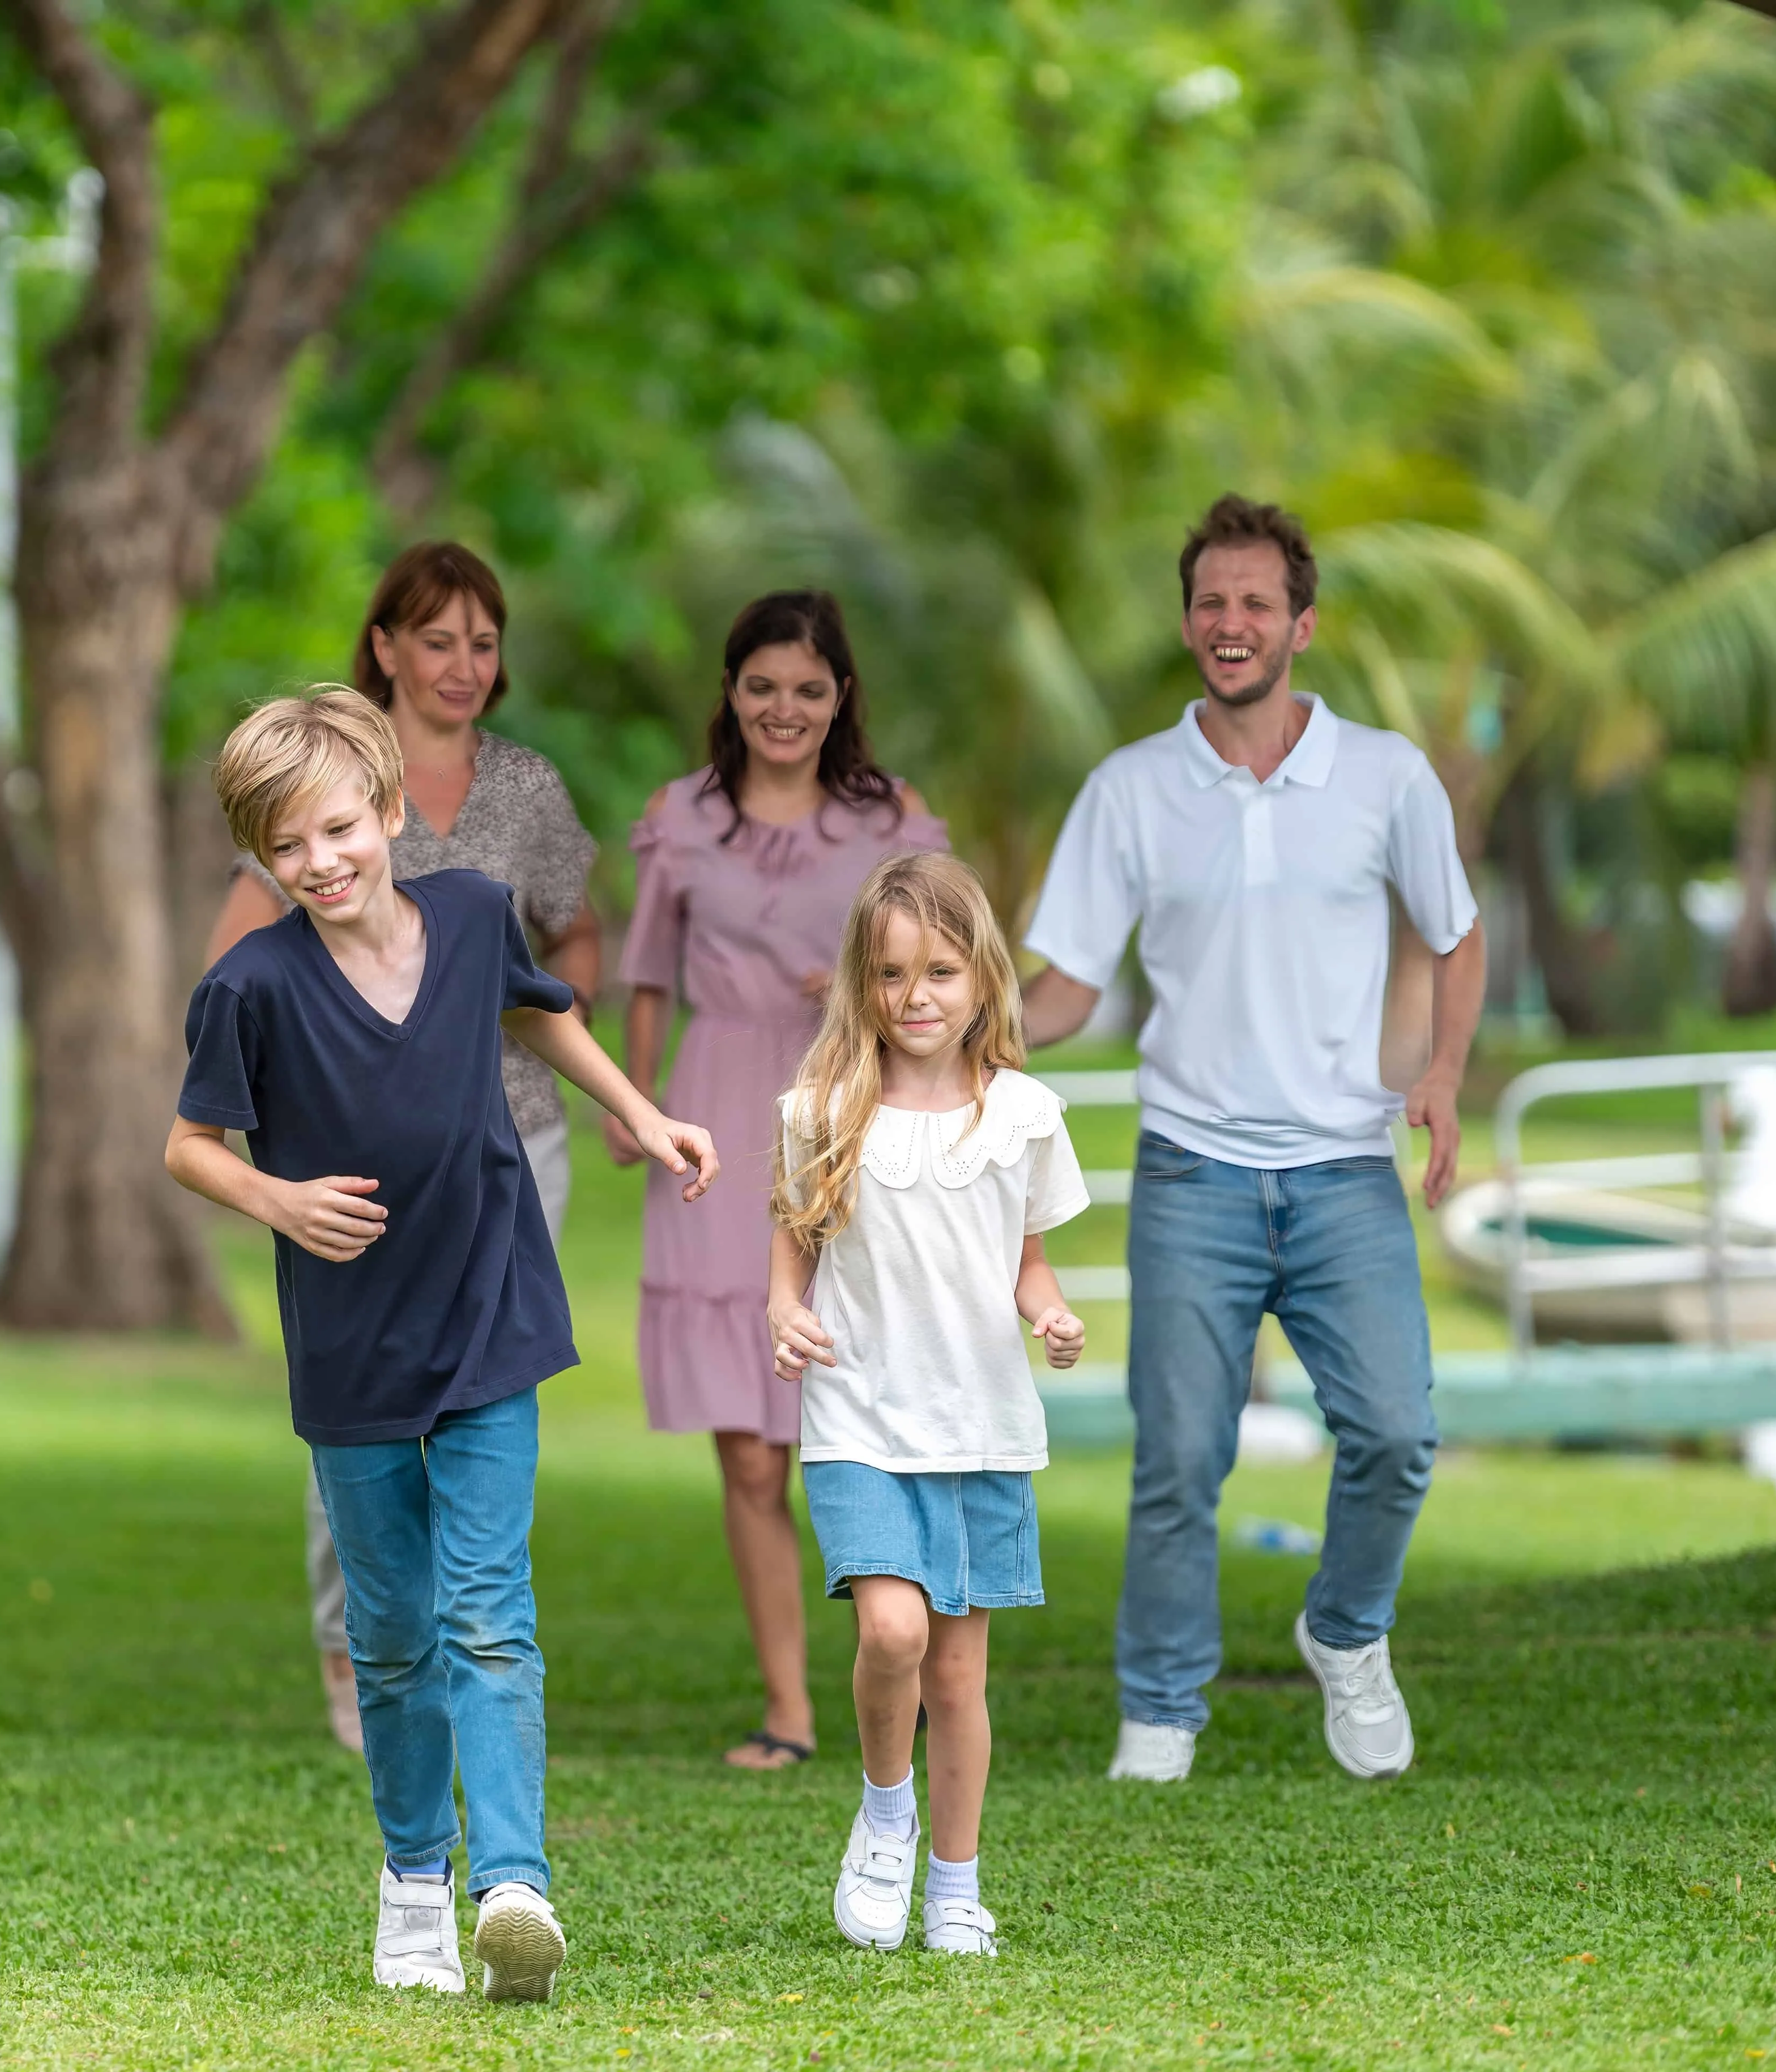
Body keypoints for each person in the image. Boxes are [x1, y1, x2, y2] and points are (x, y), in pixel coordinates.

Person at [167, 688, 716, 2001]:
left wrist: (639, 1116)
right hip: (352, 1345)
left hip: (487, 1311)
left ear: (388, 811)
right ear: (262, 854)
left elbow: (539, 1011)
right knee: (394, 1633)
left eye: (339, 829)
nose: (320, 863)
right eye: (286, 846)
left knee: (488, 1610)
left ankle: (513, 1886)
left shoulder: (472, 912)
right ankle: (414, 1877)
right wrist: (279, 1201)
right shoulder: (247, 987)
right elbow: (188, 1146)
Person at [1022, 493, 1485, 1785]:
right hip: (1191, 1170)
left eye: (1255, 604)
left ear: (1301, 624)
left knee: (1393, 1436)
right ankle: (1159, 1715)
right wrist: (942, 1037)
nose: (1231, 625)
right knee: (1177, 1462)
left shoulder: (1384, 776)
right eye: (1211, 603)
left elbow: (1455, 933)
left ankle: (1343, 1634)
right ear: (1187, 623)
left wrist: (1442, 1073)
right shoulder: (1128, 790)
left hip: (1342, 1168)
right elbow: (1061, 987)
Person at [202, 543, 600, 1755]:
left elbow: (567, 949)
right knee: (368, 1416)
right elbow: (237, 964)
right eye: (439, 641)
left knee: (479, 1403)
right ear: (384, 646)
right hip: (352, 1168)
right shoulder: (306, 779)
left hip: (507, 1143)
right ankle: (364, 1649)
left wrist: (602, 1085)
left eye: (485, 643)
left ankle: (476, 1645)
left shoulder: (524, 789)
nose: (465, 665)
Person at [607, 590, 948, 1769]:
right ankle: (791, 1711)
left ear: (840, 697)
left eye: (807, 689)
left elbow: (941, 964)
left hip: (850, 1109)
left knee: (847, 1421)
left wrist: (865, 995)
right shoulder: (680, 818)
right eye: (760, 687)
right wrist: (635, 1102)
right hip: (709, 1112)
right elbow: (645, 971)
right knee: (749, 1452)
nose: (782, 710)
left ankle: (889, 1677)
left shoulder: (890, 820)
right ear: (729, 692)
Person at [766, 852, 1089, 1957]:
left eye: (940, 972)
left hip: (980, 1428)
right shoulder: (819, 1110)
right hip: (859, 1420)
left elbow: (1026, 1264)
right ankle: (883, 1809)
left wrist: (1047, 1315)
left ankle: (955, 1888)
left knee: (958, 1673)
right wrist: (781, 1309)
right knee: (893, 1631)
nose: (916, 997)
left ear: (981, 980)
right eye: (894, 973)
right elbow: (792, 1242)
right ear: (863, 981)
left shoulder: (1026, 1116)